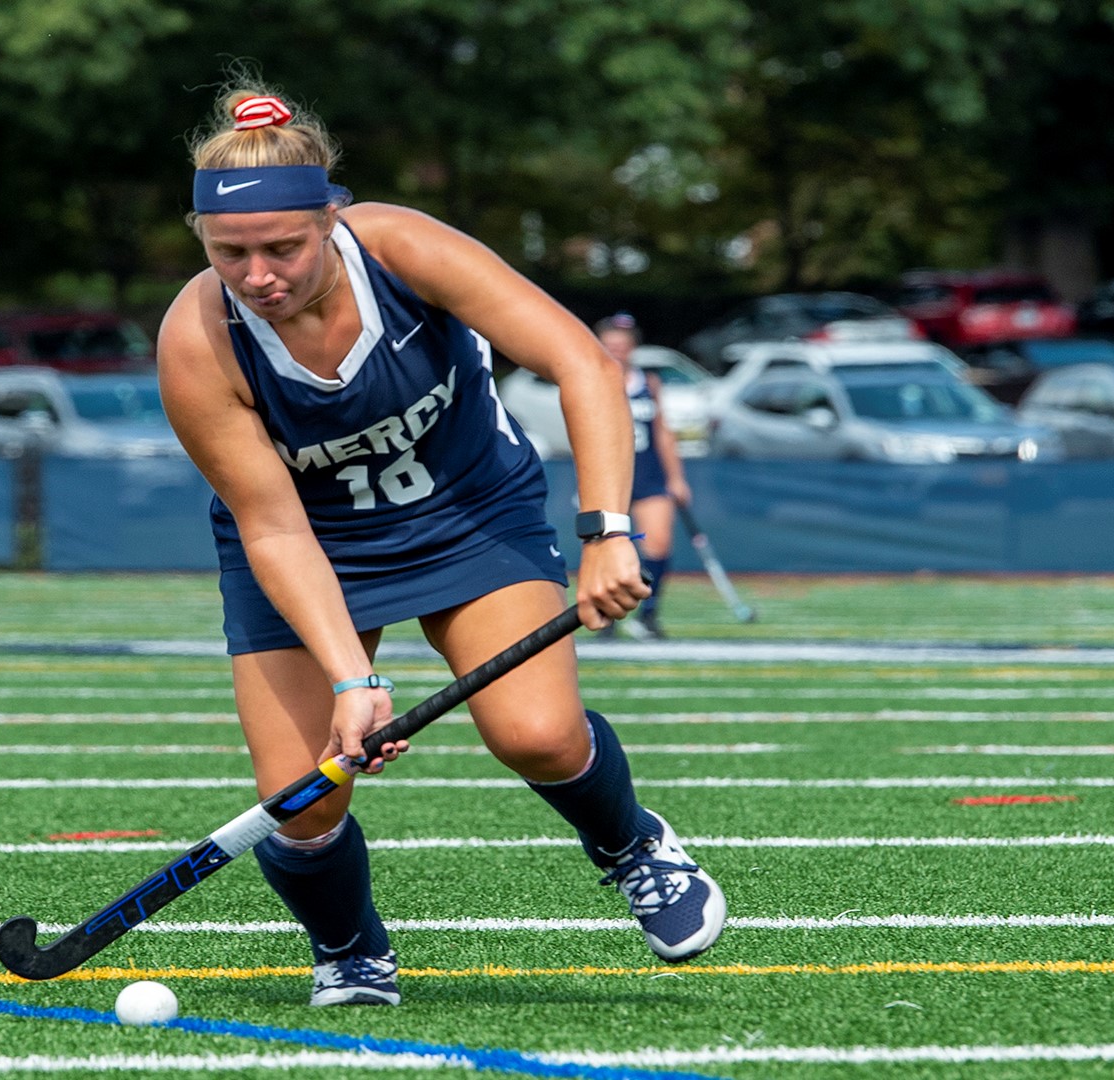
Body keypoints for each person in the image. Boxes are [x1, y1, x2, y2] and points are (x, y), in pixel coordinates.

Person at [156, 84, 725, 1007]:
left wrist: (609, 529)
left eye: (282, 248)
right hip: (311, 547)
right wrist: (352, 678)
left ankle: (631, 846)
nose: (258, 274)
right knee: (305, 801)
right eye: (231, 253)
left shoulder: (403, 250)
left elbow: (582, 361)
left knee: (534, 734)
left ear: (329, 219)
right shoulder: (197, 338)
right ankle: (349, 948)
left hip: (469, 512)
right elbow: (272, 524)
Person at [594, 313, 692, 640]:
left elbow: (663, 432)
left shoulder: (648, 384)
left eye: (622, 346)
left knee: (659, 544)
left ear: (633, 347)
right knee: (607, 547)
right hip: (610, 479)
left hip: (649, 475)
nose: (616, 351)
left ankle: (648, 614)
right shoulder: (594, 380)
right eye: (610, 346)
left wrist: (676, 478)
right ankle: (607, 614)